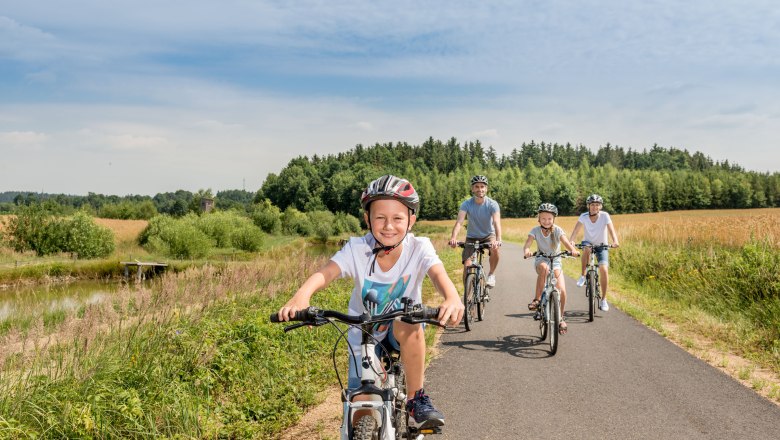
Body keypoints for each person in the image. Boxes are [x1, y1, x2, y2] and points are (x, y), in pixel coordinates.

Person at [277, 175, 464, 430]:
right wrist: (302, 296)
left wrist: (451, 297)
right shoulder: (356, 248)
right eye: (380, 217)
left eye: (398, 218)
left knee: (406, 322)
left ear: (411, 220)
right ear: (367, 219)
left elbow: (438, 273)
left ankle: (415, 398)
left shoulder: (420, 247)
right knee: (361, 408)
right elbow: (327, 272)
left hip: (402, 332)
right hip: (363, 334)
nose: (389, 226)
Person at [523, 203, 580, 334]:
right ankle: (537, 300)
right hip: (541, 259)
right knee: (544, 269)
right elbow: (528, 244)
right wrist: (527, 251)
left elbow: (565, 242)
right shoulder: (535, 231)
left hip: (556, 261)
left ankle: (561, 318)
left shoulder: (558, 230)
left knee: (562, 290)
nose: (546, 221)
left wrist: (573, 250)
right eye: (543, 218)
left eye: (549, 218)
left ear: (554, 219)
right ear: (539, 219)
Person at [448, 175, 503, 289]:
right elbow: (459, 222)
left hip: (488, 235)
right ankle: (467, 297)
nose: (480, 189)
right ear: (472, 189)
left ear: (486, 188)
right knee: (467, 266)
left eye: (482, 186)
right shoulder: (466, 204)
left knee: (495, 249)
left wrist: (498, 239)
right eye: (476, 187)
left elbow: (497, 222)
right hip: (472, 237)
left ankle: (491, 274)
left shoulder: (492, 204)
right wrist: (453, 238)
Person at [570, 193, 621, 311]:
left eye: (597, 205)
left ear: (600, 206)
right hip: (588, 242)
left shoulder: (605, 216)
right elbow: (576, 230)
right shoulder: (583, 216)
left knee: (603, 269)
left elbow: (611, 230)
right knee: (586, 248)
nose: (595, 207)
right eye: (592, 205)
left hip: (602, 245)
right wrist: (571, 241)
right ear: (588, 206)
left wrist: (615, 240)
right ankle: (583, 276)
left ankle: (604, 299)